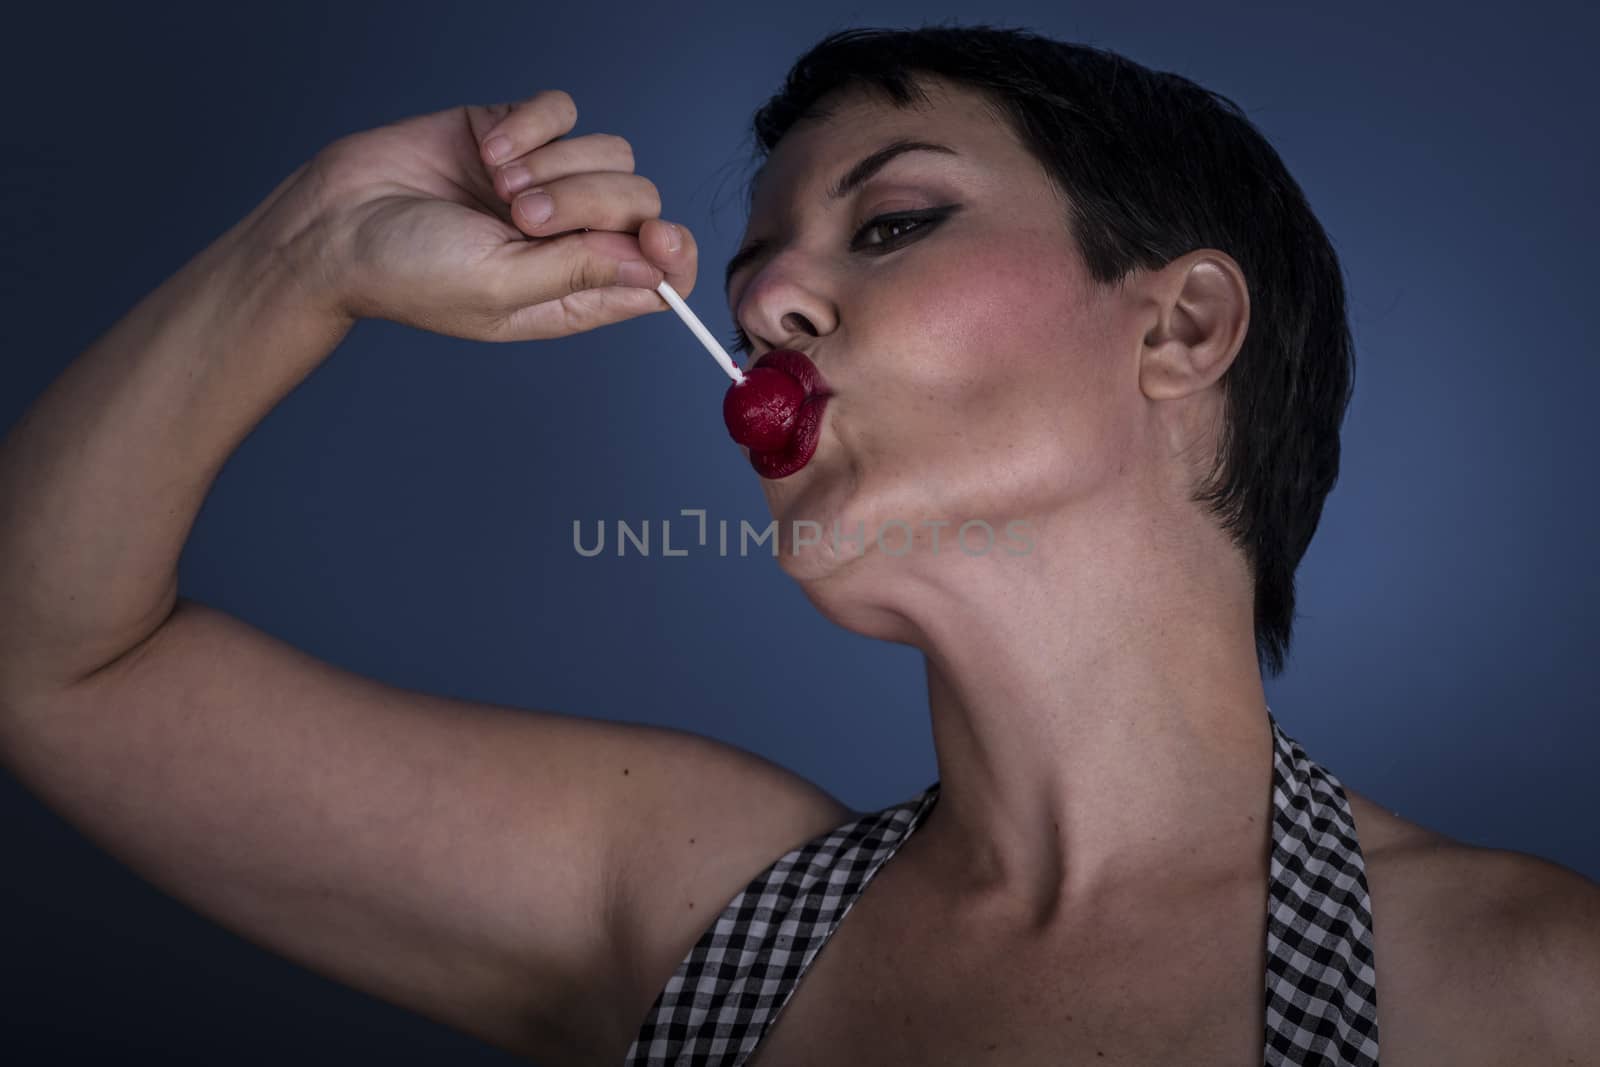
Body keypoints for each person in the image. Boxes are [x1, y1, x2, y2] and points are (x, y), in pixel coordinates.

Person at [0, 22, 1594, 1067]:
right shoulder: (687, 901)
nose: (762, 302)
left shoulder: (1536, 989)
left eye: (892, 223)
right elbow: (54, 662)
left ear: (1181, 324)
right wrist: (312, 246)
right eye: (754, 263)